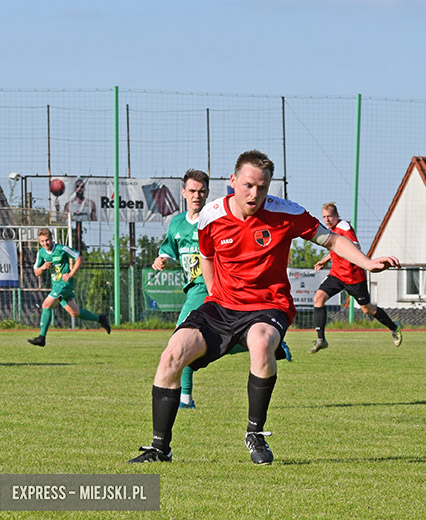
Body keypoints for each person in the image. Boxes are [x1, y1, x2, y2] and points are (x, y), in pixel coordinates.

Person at [129, 150, 399, 464]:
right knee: (172, 353)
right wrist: (216, 294)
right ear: (232, 181)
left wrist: (367, 262)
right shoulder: (211, 216)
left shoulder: (287, 213)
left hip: (268, 306)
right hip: (222, 306)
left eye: (262, 187)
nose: (254, 193)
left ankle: (255, 434)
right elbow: (206, 256)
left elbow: (333, 241)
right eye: (247, 185)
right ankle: (160, 449)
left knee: (259, 343)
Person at [152, 169, 291, 410]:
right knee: (192, 342)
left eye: (202, 191)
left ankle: (185, 399)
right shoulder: (176, 223)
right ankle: (264, 342)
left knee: (178, 339)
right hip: (193, 286)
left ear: (207, 194)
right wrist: (162, 258)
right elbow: (170, 249)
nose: (197, 195)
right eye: (193, 191)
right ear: (183, 193)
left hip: (213, 288)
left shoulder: (214, 217)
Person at [309, 202, 402, 353]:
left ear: (337, 216)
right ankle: (321, 339)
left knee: (367, 309)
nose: (327, 220)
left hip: (354, 277)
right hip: (336, 274)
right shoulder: (330, 230)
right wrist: (325, 261)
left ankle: (394, 327)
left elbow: (354, 247)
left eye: (330, 216)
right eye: (324, 217)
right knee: (318, 299)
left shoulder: (344, 227)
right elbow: (336, 247)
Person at [27, 228, 110, 346]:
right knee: (75, 313)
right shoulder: (41, 253)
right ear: (39, 242)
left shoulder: (62, 249)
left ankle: (41, 338)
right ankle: (100, 319)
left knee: (46, 304)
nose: (45, 243)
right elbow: (36, 272)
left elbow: (79, 258)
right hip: (56, 285)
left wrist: (71, 274)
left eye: (47, 240)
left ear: (52, 239)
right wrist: (42, 267)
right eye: (42, 241)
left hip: (65, 284)